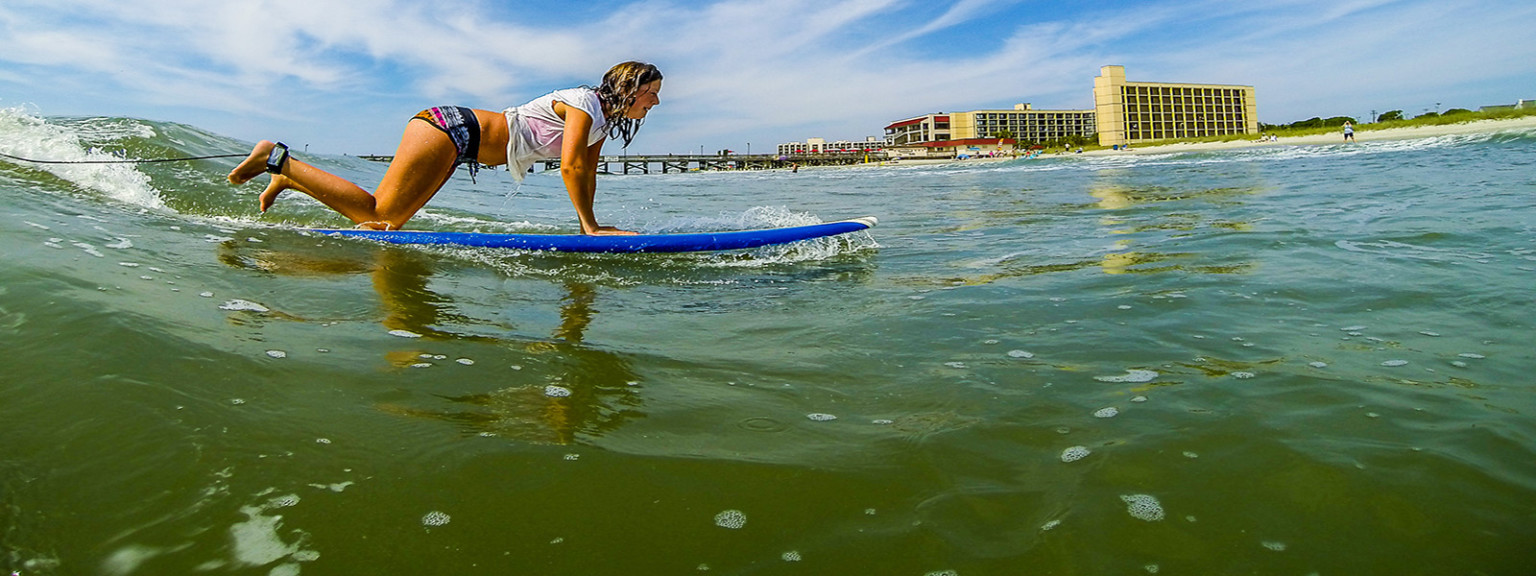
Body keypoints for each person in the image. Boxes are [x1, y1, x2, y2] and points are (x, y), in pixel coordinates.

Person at [227, 61, 663, 234]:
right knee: (381, 218)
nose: (656, 102)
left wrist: (593, 221)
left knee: (386, 222)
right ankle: (276, 158)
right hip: (450, 130)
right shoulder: (584, 103)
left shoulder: (600, 122)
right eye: (652, 93)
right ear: (631, 88)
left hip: (457, 144)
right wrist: (590, 229)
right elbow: (571, 168)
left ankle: (291, 178)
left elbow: (585, 174)